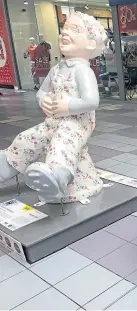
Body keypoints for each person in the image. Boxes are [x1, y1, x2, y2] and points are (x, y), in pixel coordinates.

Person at [0, 12, 107, 203]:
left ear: (91, 43)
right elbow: (41, 92)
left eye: (75, 30)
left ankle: (57, 177)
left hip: (77, 123)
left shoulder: (83, 70)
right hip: (53, 121)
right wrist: (43, 100)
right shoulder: (56, 69)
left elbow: (92, 100)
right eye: (64, 29)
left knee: (63, 144)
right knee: (28, 138)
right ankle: (7, 163)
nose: (65, 33)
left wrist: (68, 106)